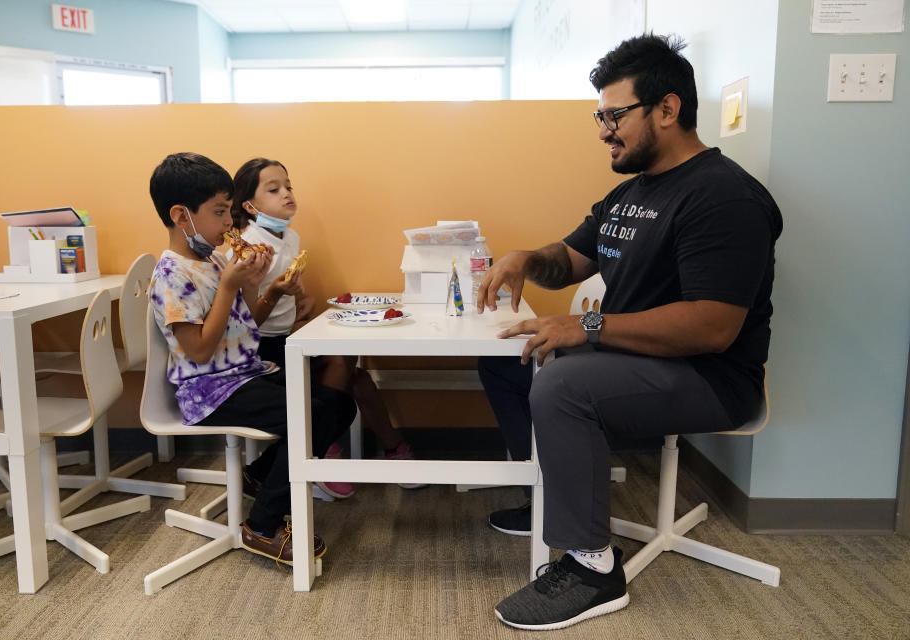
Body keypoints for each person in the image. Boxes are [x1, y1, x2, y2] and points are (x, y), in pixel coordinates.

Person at [475, 34, 783, 631]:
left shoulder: (724, 197)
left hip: (710, 376)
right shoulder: (630, 192)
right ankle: (550, 498)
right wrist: (523, 257)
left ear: (667, 110)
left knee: (564, 386)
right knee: (506, 358)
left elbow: (712, 327)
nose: (602, 130)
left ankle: (593, 571)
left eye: (614, 115)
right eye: (600, 116)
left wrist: (584, 325)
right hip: (638, 361)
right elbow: (568, 259)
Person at [147, 152, 356, 565]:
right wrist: (228, 287)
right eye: (219, 212)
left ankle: (261, 475)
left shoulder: (213, 259)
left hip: (245, 372)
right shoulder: (172, 273)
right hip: (209, 391)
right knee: (308, 415)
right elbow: (200, 350)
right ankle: (262, 525)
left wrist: (263, 290)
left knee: (338, 404)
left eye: (228, 211)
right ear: (180, 215)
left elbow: (248, 327)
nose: (229, 223)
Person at [229, 158, 422, 500]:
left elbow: (291, 288)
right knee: (340, 364)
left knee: (356, 375)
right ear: (249, 206)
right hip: (259, 352)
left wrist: (302, 302)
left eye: (288, 186)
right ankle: (320, 452)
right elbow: (245, 322)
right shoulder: (249, 247)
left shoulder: (288, 236)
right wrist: (278, 296)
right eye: (273, 190)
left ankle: (391, 449)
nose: (286, 193)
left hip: (285, 341)